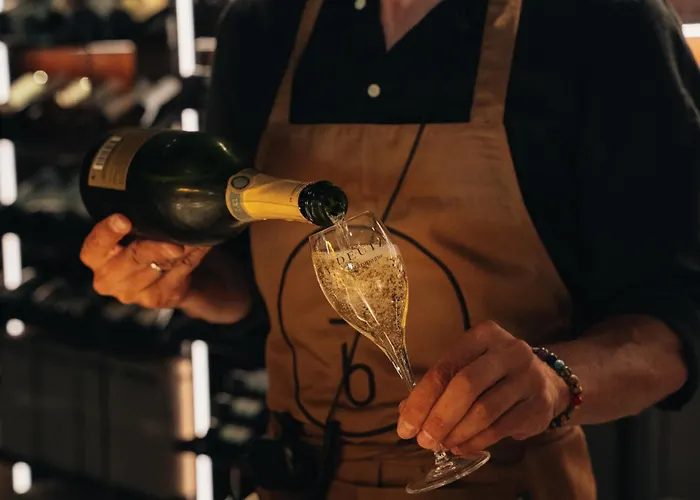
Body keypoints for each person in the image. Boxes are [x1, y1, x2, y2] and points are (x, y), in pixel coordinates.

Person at [79, 0, 700, 498]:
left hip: (507, 483)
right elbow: (245, 288)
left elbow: (678, 314)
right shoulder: (261, 26)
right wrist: (181, 282)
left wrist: (555, 379)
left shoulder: (603, 22)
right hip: (294, 479)